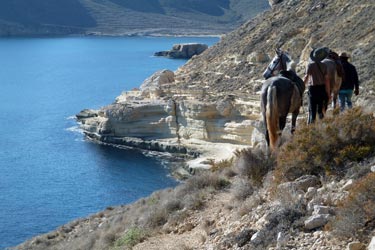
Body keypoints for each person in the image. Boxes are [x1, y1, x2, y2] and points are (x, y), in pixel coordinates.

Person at [303, 47, 330, 124]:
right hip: (322, 89)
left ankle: (312, 129)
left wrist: (302, 86)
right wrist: (328, 92)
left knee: (312, 110)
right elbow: (327, 80)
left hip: (313, 90)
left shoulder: (310, 65)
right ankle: (321, 127)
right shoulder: (324, 66)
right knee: (320, 110)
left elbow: (306, 77)